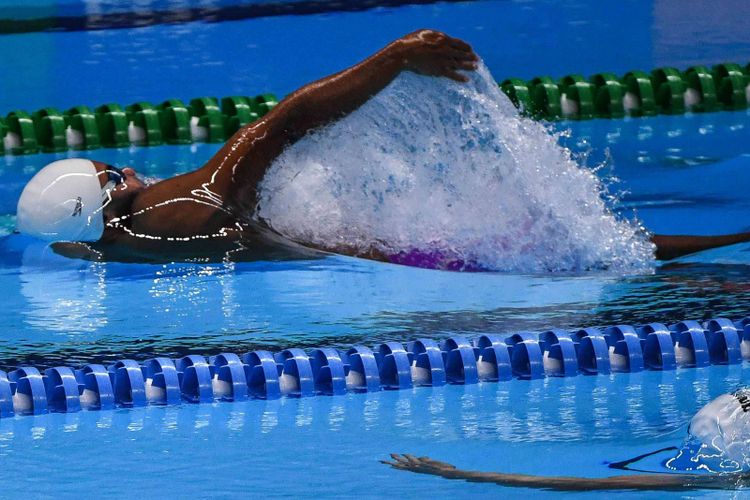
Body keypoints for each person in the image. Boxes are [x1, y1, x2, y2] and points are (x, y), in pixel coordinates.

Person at [14, 30, 750, 265]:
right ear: (102, 195)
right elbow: (278, 127)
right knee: (580, 252)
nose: (129, 168)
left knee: (572, 256)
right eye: (112, 171)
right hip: (368, 255)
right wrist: (394, 59)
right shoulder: (176, 203)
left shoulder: (122, 245)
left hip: (341, 258)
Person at [382, 388, 750, 491]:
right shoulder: (732, 464)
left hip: (730, 406)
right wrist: (461, 474)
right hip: (719, 429)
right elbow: (593, 483)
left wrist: (460, 473)